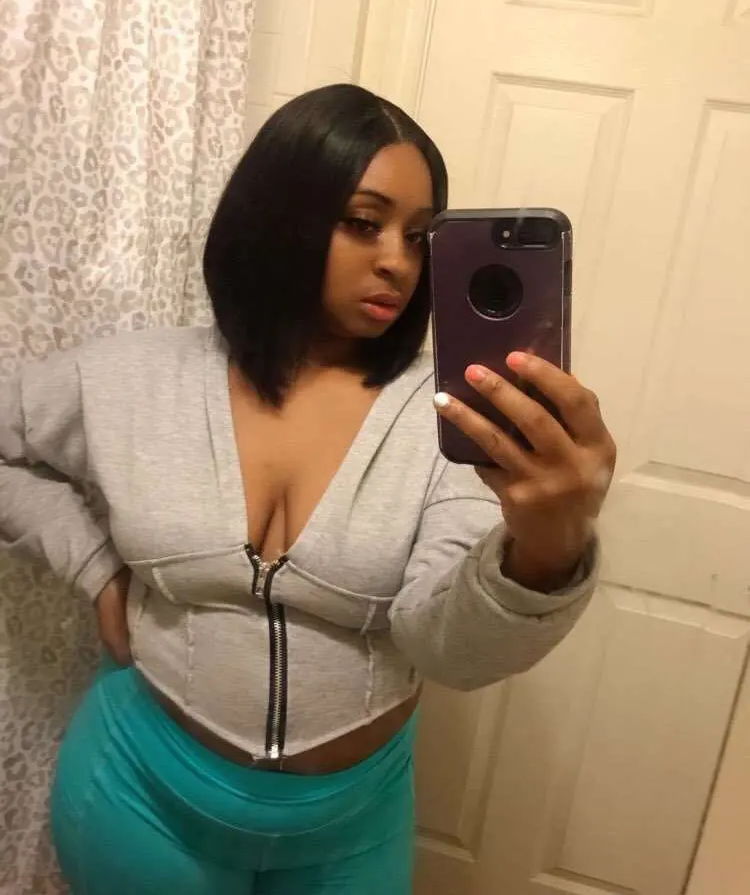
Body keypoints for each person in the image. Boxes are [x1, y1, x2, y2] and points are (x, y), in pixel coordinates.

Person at [0, 84, 615, 895]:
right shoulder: (130, 378)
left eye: (419, 235)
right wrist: (93, 567)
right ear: (277, 215)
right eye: (363, 223)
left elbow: (451, 652)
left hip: (349, 831)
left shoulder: (449, 420)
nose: (398, 261)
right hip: (136, 797)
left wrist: (547, 546)